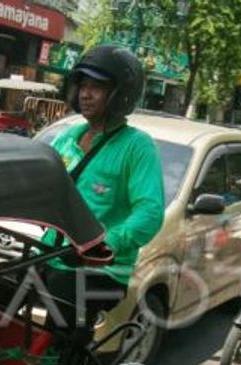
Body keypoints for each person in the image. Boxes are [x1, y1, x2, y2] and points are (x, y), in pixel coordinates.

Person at [40, 45, 164, 330]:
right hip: (50, 255)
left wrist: (105, 242)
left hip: (103, 270)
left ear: (120, 94)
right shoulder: (69, 136)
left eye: (96, 87)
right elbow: (37, 184)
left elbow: (150, 211)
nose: (85, 94)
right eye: (83, 85)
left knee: (61, 308)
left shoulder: (137, 146)